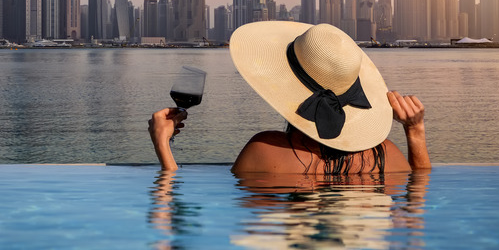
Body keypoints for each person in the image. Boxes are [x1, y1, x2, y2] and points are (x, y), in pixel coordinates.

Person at [149, 22, 430, 173]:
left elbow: (172, 211)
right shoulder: (388, 157)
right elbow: (417, 205)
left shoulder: (264, 152)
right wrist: (415, 132)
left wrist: (163, 147)